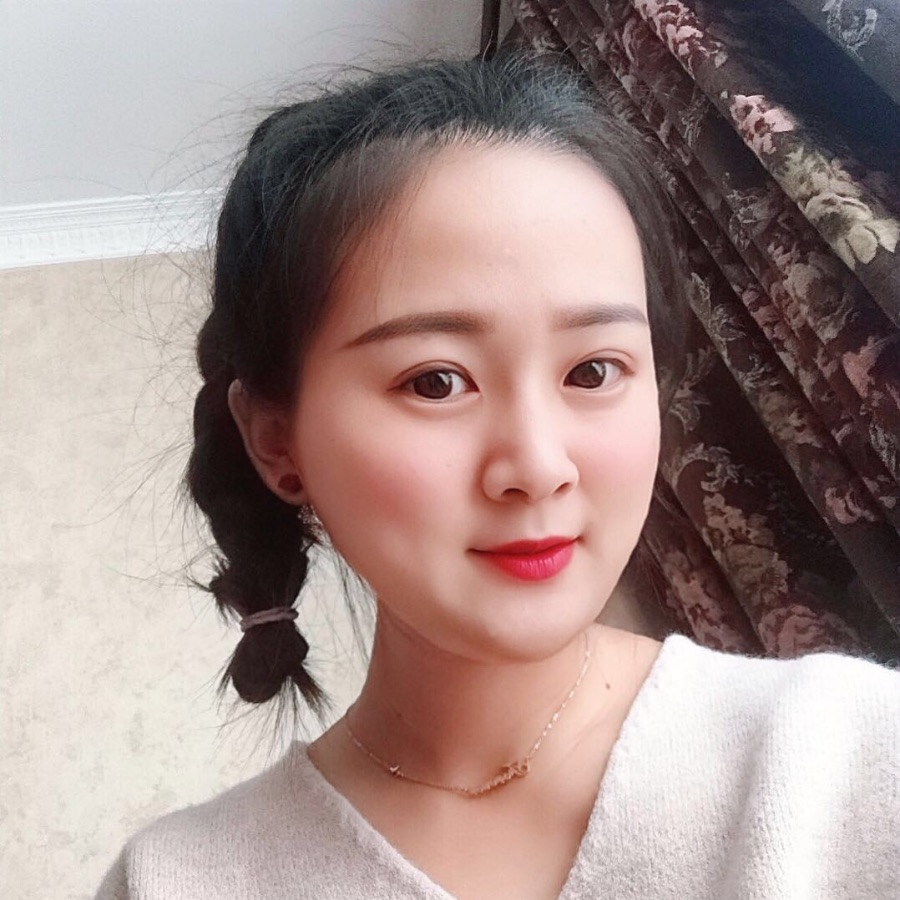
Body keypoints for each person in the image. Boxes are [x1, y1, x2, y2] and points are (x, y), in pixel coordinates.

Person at [95, 52, 900, 900]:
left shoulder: (848, 758)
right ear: (276, 442)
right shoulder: (175, 882)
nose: (539, 468)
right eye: (436, 382)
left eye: (594, 370)